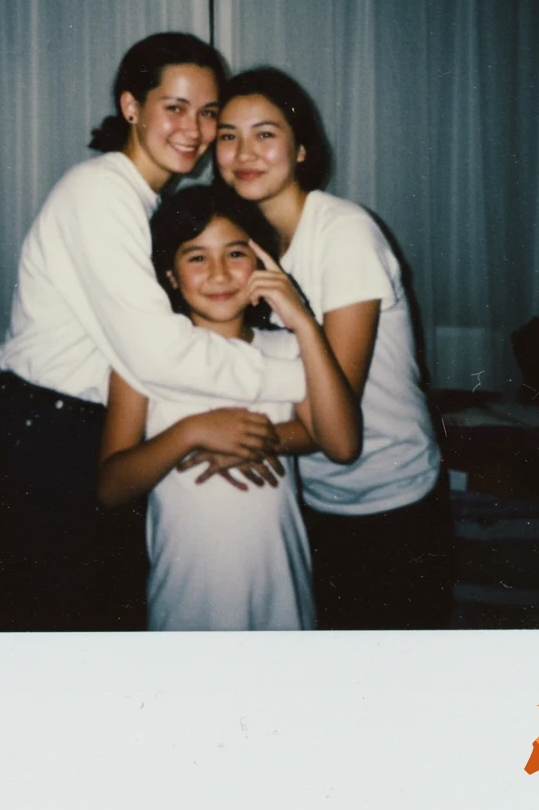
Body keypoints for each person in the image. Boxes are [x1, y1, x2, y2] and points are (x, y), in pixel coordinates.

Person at [0, 33, 307, 632]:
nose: (194, 129)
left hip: (77, 436)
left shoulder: (143, 204)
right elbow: (156, 353)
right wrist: (305, 373)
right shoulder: (99, 193)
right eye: (174, 107)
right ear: (130, 107)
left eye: (207, 112)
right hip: (42, 447)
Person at [209, 67, 454, 631]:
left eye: (265, 133)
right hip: (313, 494)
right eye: (228, 135)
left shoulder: (343, 233)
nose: (245, 151)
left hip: (392, 497)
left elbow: (335, 406)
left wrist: (230, 443)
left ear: (300, 150)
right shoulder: (241, 247)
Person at [98, 185, 360, 631]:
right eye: (196, 257)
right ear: (170, 276)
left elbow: (342, 445)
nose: (219, 273)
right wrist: (192, 432)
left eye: (236, 254)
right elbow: (111, 487)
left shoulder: (287, 349)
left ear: (261, 266)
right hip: (187, 597)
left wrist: (303, 322)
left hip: (281, 591)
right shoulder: (143, 358)